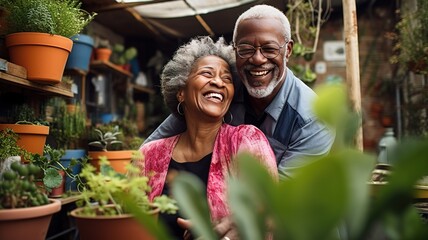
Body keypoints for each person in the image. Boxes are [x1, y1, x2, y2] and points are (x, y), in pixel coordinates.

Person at [144, 4, 334, 180]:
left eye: (269, 49)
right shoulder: (226, 87)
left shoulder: (312, 118)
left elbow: (281, 196)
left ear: (288, 50)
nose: (258, 59)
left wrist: (217, 217)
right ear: (235, 50)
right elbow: (154, 145)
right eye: (245, 49)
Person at [135, 36, 278, 239]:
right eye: (206, 73)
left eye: (227, 78)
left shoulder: (246, 142)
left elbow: (269, 219)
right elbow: (126, 220)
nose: (218, 82)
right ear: (181, 92)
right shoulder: (149, 154)